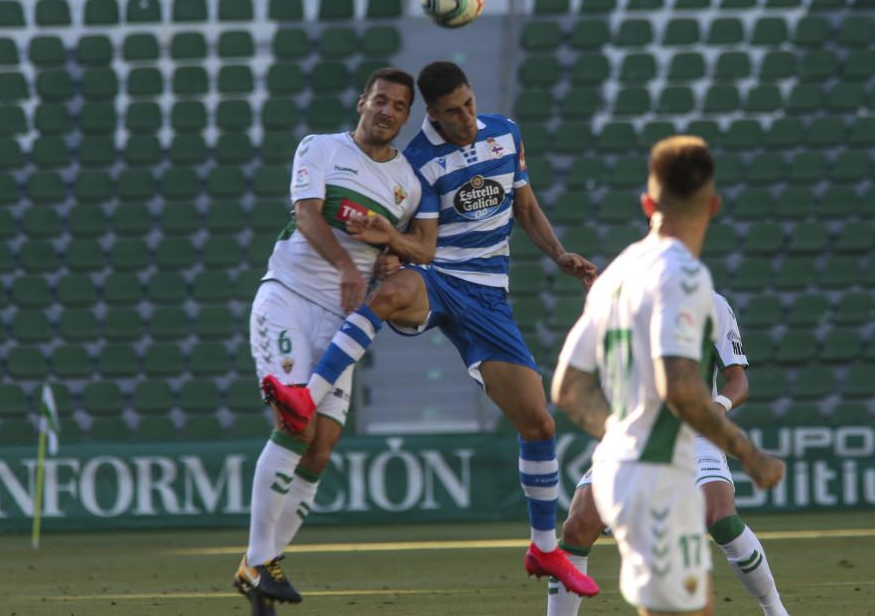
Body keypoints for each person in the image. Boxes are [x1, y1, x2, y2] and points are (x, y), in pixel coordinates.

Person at [262, 61, 601, 596]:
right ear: (432, 116)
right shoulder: (413, 161)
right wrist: (388, 251)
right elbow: (412, 237)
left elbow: (525, 206)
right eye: (451, 112)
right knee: (392, 292)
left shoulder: (505, 133)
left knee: (538, 423)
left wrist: (558, 254)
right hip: (438, 276)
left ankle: (544, 548)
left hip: (488, 296)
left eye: (468, 104)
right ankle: (308, 395)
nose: (465, 118)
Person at [550, 135, 785, 616]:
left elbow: (567, 389)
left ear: (647, 203)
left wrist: (627, 435)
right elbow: (678, 388)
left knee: (669, 590)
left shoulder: (611, 280)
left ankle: (774, 609)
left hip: (631, 452)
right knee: (669, 594)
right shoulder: (687, 278)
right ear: (712, 206)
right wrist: (750, 454)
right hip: (664, 456)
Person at [233, 68, 427, 616]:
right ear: (362, 101)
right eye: (380, 100)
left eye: (397, 106)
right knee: (296, 425)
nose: (386, 111)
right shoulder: (320, 148)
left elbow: (407, 247)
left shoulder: (407, 185)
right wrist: (346, 264)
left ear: (405, 117)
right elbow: (306, 215)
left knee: (321, 448)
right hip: (289, 299)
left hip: (340, 326)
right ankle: (259, 560)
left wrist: (393, 255)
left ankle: (259, 570)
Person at [547, 291, 789, 616]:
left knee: (721, 518)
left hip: (694, 434)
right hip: (635, 436)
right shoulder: (620, 297)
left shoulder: (709, 302)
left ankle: (776, 611)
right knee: (577, 526)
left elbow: (738, 380)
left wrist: (717, 408)